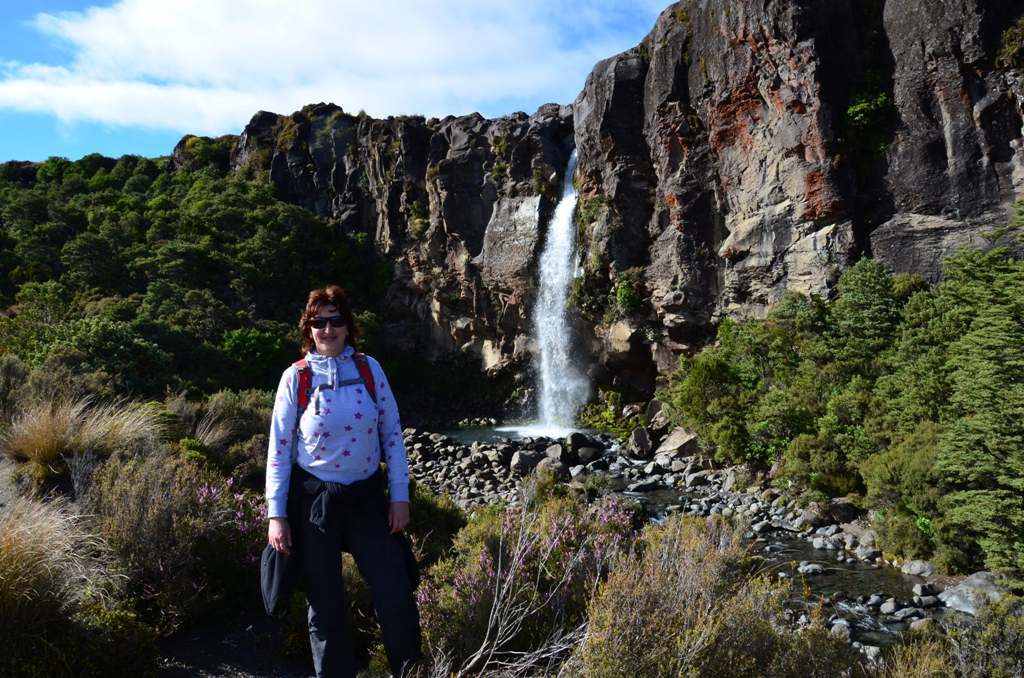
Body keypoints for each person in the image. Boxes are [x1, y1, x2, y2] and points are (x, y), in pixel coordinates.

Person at [266, 285, 421, 678]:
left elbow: (391, 434)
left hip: (367, 499)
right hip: (314, 503)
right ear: (309, 329)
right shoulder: (295, 378)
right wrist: (276, 514)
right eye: (319, 322)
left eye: (336, 320)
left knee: (395, 591)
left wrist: (399, 497)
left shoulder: (370, 370)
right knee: (325, 605)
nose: (328, 329)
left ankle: (410, 671)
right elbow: (280, 448)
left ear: (348, 326)